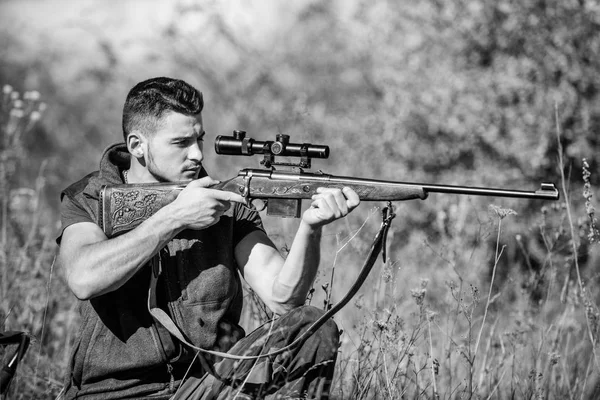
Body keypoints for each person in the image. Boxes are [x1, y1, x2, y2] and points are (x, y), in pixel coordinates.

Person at [56, 77, 360, 399]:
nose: (198, 154)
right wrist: (174, 218)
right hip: (114, 393)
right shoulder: (88, 199)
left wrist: (311, 228)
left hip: (207, 383)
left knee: (311, 326)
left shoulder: (225, 204)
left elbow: (283, 298)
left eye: (199, 139)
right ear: (137, 146)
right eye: (181, 143)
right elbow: (83, 278)